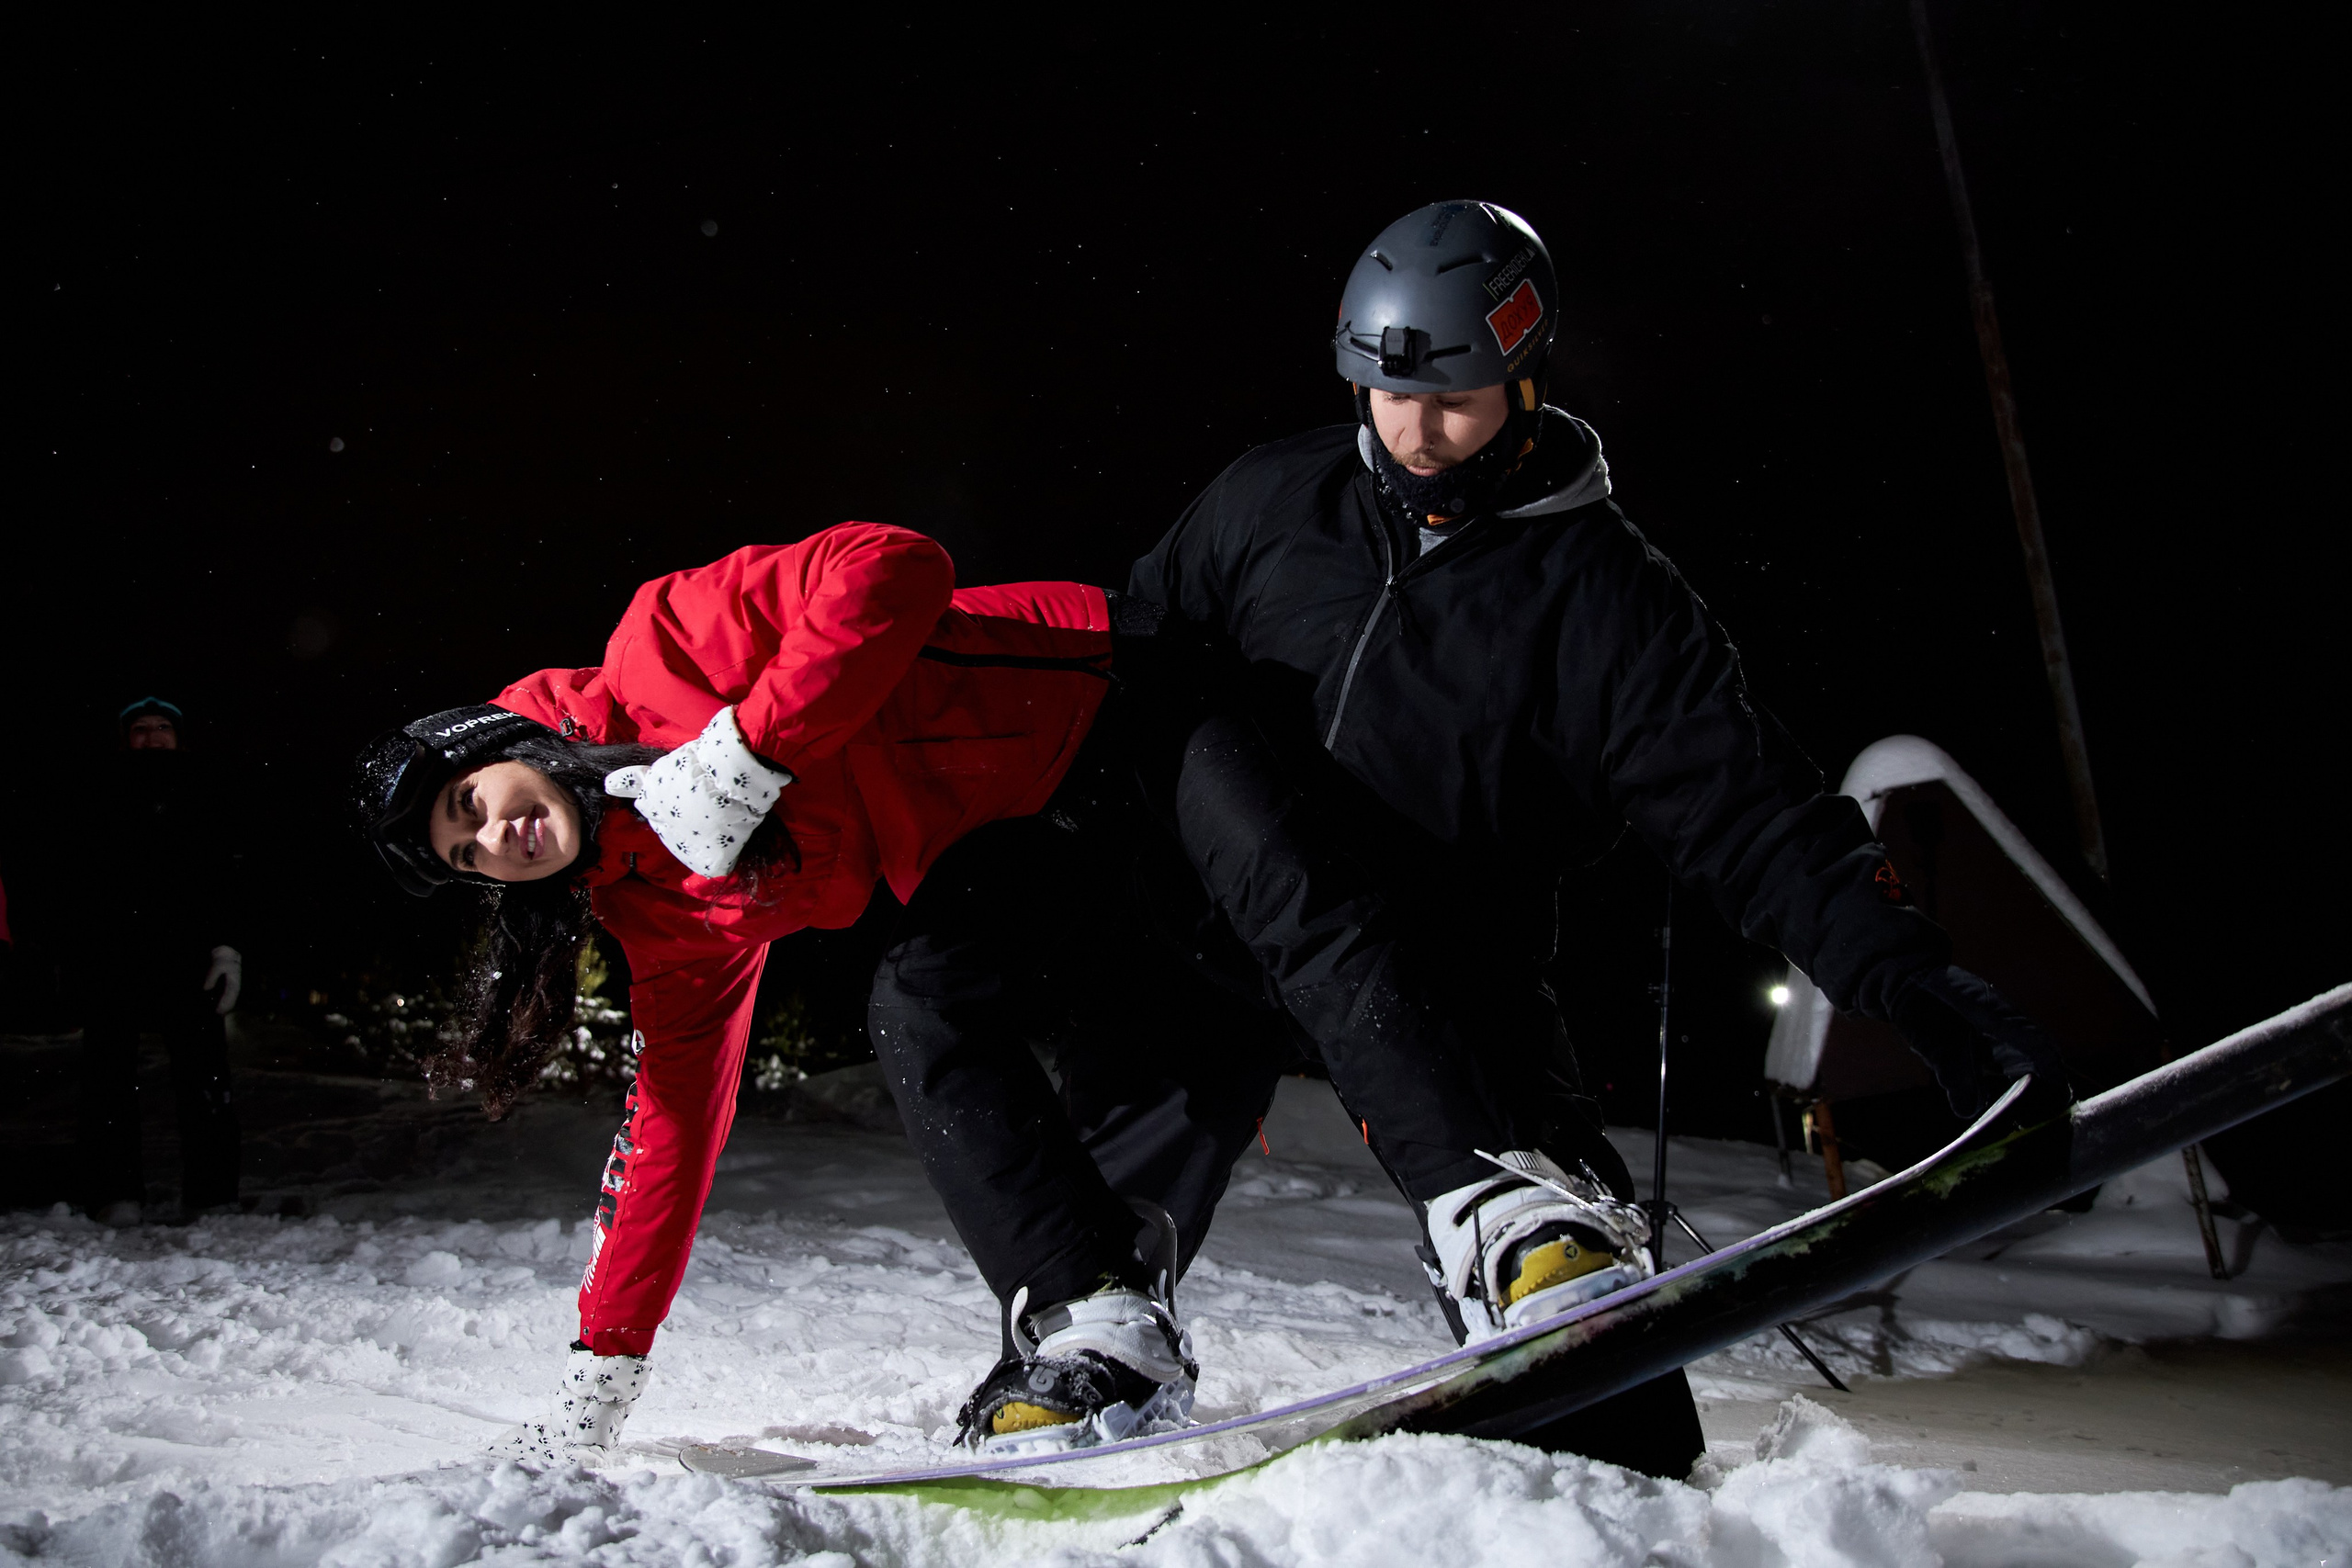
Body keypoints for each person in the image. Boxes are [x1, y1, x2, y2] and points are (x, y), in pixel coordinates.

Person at [1121, 200, 2069, 1477]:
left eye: (1451, 397)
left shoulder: (1606, 593)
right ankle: (1088, 1350)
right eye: (1382, 394)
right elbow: (1124, 663)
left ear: (1524, 370)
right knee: (1112, 1117)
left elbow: (1752, 809)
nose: (1412, 431)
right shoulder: (1271, 499)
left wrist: (1916, 978)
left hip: (1456, 960)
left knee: (1605, 1386)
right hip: (1220, 930)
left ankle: (1574, 1385)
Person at [353, 523, 1349, 1464]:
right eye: (465, 855)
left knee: (1317, 938)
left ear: (499, 741)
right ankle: (1102, 1336)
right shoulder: (661, 909)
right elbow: (670, 1129)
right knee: (990, 1024)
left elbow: (894, 564)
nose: (491, 840)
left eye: (466, 802)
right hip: (1035, 851)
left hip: (1115, 705)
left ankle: (1481, 1199)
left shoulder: (662, 650)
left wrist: (750, 742)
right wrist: (604, 1366)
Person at [74, 696, 244, 1224]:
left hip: (188, 953)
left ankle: (212, 1197)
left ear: (179, 735)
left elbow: (227, 870)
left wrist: (228, 947)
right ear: (126, 738)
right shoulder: (96, 790)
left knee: (205, 1079)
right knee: (107, 1082)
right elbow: (72, 874)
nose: (153, 737)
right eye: (141, 729)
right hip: (113, 952)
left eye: (163, 727)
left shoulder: (205, 790)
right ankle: (115, 1194)